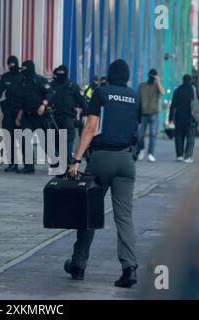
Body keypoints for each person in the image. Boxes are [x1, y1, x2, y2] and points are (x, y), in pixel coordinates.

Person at [68, 59, 141, 288]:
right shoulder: (135, 96)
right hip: (126, 161)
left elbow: (90, 127)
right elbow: (134, 126)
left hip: (101, 159)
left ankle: (78, 264)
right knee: (124, 217)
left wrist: (76, 159)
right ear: (127, 76)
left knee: (89, 212)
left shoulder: (101, 92)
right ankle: (129, 268)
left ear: (109, 75)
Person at [41, 65, 87, 165]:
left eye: (62, 72)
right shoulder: (51, 85)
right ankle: (57, 161)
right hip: (54, 117)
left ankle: (66, 160)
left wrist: (85, 116)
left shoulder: (72, 86)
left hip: (68, 117)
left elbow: (82, 101)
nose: (60, 75)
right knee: (54, 141)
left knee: (68, 140)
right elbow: (44, 95)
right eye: (58, 72)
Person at [15, 60, 50, 174]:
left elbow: (50, 93)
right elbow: (22, 100)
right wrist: (19, 116)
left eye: (25, 69)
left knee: (45, 141)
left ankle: (57, 163)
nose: (23, 71)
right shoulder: (22, 81)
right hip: (27, 115)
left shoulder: (40, 80)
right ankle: (29, 166)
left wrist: (43, 105)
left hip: (39, 116)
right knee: (24, 139)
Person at [0, 56, 23, 173]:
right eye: (9, 64)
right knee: (8, 138)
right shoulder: (5, 77)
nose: (11, 66)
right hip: (9, 112)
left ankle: (27, 164)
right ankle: (12, 163)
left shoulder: (23, 76)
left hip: (21, 111)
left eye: (13, 64)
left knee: (22, 137)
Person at [169, 75, 199, 164]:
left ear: (183, 80)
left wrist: (170, 117)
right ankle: (187, 156)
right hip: (190, 118)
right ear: (190, 81)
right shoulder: (193, 90)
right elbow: (198, 104)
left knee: (178, 136)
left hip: (179, 118)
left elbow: (173, 105)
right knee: (190, 137)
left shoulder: (177, 91)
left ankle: (179, 155)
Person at [138, 68, 165, 162]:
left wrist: (158, 81)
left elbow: (162, 92)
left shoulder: (157, 86)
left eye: (154, 76)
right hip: (143, 113)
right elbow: (138, 98)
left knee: (153, 134)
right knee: (140, 134)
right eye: (152, 76)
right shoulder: (142, 86)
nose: (152, 78)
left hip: (154, 113)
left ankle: (151, 153)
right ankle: (141, 149)